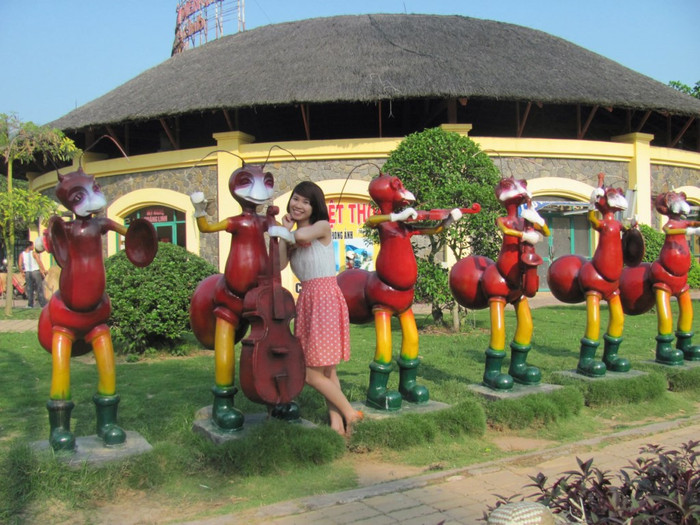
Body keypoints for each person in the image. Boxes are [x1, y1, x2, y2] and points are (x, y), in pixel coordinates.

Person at [269, 181, 363, 436]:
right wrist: (283, 233)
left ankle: (351, 414)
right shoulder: (291, 237)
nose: (298, 205)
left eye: (306, 202)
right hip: (309, 300)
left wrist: (286, 232)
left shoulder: (321, 227)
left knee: (309, 373)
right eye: (296, 199)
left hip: (324, 300)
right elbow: (278, 264)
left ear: (315, 207)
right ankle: (337, 426)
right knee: (327, 370)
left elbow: (301, 236)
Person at [18, 241, 47, 308]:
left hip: (28, 273)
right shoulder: (33, 253)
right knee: (39, 288)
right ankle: (42, 304)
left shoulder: (22, 254)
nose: (33, 247)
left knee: (29, 288)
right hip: (35, 272)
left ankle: (30, 304)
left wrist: (22, 272)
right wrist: (43, 269)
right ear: (29, 246)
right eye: (32, 245)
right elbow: (39, 262)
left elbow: (19, 265)